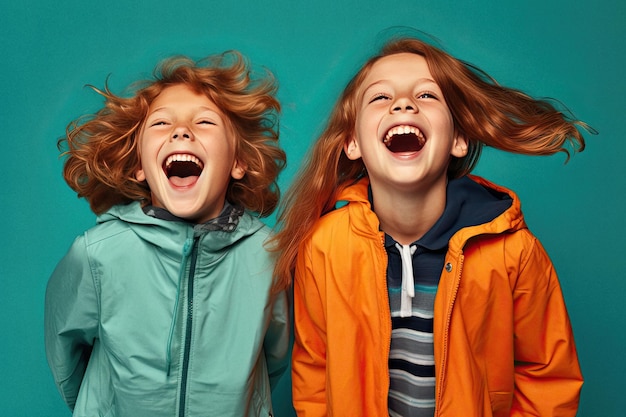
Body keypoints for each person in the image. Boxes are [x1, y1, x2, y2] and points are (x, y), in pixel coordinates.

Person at [271, 36, 590, 416]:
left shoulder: (514, 252)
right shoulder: (323, 246)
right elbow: (314, 370)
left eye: (426, 96)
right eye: (379, 98)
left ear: (458, 138)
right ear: (352, 142)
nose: (402, 104)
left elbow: (548, 378)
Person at [45, 51, 289, 417]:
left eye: (205, 122)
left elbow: (274, 355)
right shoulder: (97, 254)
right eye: (161, 124)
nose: (181, 131)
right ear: (140, 166)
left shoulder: (269, 256)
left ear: (238, 162)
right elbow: (65, 353)